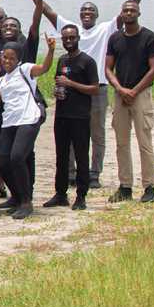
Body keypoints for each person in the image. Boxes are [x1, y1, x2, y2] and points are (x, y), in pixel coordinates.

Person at [40, 0, 154, 190]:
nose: (87, 13)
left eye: (91, 10)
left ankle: (94, 173)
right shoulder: (72, 30)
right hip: (72, 90)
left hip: (98, 89)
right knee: (74, 132)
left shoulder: (106, 29)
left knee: (97, 133)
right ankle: (72, 174)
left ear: (97, 15)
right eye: (83, 10)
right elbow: (49, 13)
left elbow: (127, 13)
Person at [0, 36, 55, 219]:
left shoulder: (25, 70)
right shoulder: (2, 80)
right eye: (5, 58)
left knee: (17, 157)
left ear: (18, 59)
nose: (7, 61)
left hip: (28, 119)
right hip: (9, 121)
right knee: (3, 162)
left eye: (11, 58)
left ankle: (26, 201)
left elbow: (44, 68)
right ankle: (16, 196)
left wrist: (50, 51)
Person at [105, 0, 154, 203]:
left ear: (138, 14)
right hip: (121, 95)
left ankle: (149, 187)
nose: (129, 13)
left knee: (144, 142)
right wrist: (120, 89)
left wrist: (134, 91)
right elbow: (108, 68)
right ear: (122, 14)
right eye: (125, 10)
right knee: (121, 143)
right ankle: (125, 187)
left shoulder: (149, 37)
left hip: (141, 94)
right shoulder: (114, 38)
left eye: (132, 10)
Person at [43, 26, 99, 211]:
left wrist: (71, 84)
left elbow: (95, 88)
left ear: (78, 38)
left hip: (80, 116)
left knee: (81, 156)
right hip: (62, 115)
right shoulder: (62, 59)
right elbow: (59, 81)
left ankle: (81, 195)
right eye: (65, 38)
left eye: (71, 38)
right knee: (61, 156)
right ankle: (60, 193)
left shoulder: (87, 61)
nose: (68, 41)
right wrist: (58, 91)